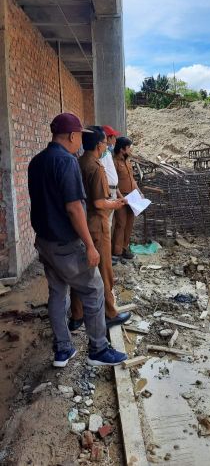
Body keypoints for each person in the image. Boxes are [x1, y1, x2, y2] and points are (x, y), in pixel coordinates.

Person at [28, 113, 127, 367]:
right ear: (72, 136)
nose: (80, 143)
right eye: (79, 137)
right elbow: (74, 208)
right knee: (93, 289)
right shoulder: (67, 162)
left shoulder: (36, 162)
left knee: (58, 294)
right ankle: (98, 350)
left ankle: (62, 350)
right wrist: (91, 246)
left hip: (45, 241)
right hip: (66, 243)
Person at [69, 127, 131, 330]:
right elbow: (98, 203)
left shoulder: (78, 162)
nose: (107, 145)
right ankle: (109, 313)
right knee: (104, 270)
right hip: (96, 224)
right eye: (105, 142)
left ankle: (77, 315)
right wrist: (115, 204)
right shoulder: (95, 167)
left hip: (81, 224)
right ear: (98, 145)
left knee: (80, 271)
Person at [112, 137, 140, 260]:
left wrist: (139, 192)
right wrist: (121, 198)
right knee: (120, 224)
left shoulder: (128, 161)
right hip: (121, 198)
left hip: (132, 197)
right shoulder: (114, 162)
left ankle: (125, 248)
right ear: (122, 149)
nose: (130, 150)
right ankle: (117, 251)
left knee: (129, 223)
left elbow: (132, 179)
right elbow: (114, 184)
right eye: (128, 148)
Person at [100, 125, 124, 231]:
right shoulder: (102, 154)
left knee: (109, 223)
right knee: (106, 223)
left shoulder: (108, 152)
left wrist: (119, 195)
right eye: (113, 137)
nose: (115, 140)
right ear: (108, 138)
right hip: (107, 191)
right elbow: (102, 174)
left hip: (112, 190)